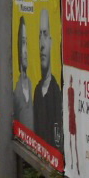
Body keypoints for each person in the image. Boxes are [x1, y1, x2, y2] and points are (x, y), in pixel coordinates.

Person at [33, 9, 62, 149]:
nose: (42, 43)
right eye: (40, 35)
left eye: (45, 34)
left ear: (51, 41)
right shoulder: (37, 91)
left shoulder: (58, 93)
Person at [13, 16, 34, 131]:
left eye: (27, 43)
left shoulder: (34, 85)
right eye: (23, 43)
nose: (25, 50)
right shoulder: (15, 91)